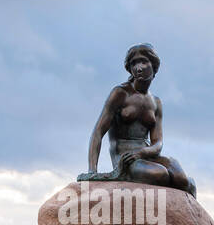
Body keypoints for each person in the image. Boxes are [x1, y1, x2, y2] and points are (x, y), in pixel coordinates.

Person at [81, 44, 196, 196]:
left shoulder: (156, 102)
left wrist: (142, 152)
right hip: (125, 158)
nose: (138, 68)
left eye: (143, 62)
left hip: (146, 154)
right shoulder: (120, 93)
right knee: (160, 174)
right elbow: (97, 132)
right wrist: (92, 171)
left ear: (153, 65)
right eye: (134, 63)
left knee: (182, 179)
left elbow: (158, 143)